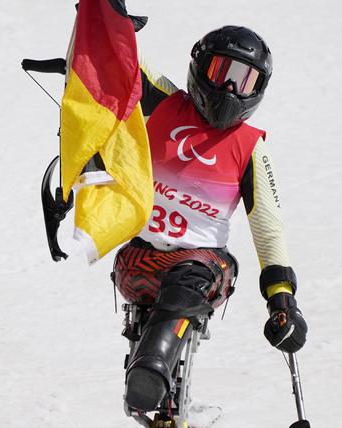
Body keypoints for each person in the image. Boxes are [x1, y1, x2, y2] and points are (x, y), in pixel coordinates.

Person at [111, 25, 308, 413]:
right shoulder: (165, 102)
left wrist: (282, 298)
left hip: (201, 265)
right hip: (138, 260)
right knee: (182, 282)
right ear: (200, 68)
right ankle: (150, 370)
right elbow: (122, 66)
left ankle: (151, 369)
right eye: (223, 74)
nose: (231, 90)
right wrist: (109, 19)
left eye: (244, 80)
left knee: (191, 280)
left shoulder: (250, 147)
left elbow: (267, 227)